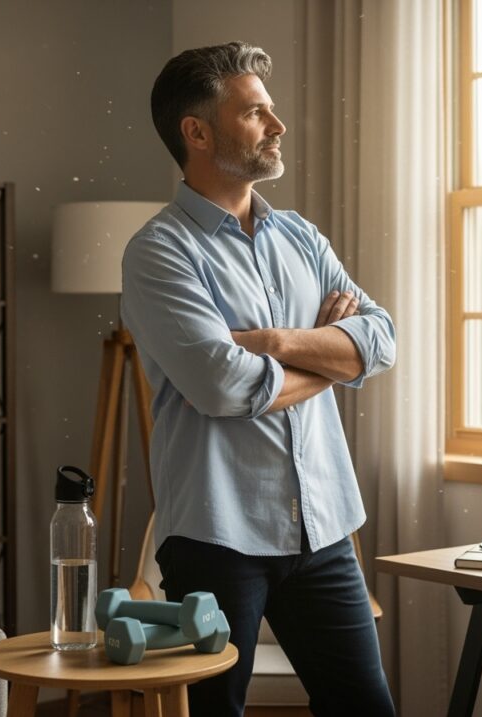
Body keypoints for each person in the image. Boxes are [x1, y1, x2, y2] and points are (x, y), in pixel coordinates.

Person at [121, 41, 397, 717]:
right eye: (255, 112)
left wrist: (274, 344)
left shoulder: (302, 236)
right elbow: (222, 385)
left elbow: (382, 341)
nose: (277, 126)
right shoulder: (158, 252)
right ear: (197, 131)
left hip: (323, 526)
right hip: (218, 535)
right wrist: (330, 360)